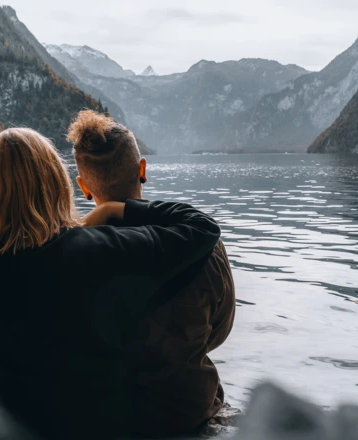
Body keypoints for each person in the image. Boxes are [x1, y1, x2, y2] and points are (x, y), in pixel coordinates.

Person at [0, 127, 222, 439]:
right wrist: (115, 208)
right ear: (57, 180)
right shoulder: (97, 249)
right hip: (95, 426)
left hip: (9, 426)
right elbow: (202, 228)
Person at [67, 110, 236, 437]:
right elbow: (220, 329)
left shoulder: (69, 254)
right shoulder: (204, 246)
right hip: (188, 408)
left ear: (83, 186)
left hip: (104, 414)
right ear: (142, 169)